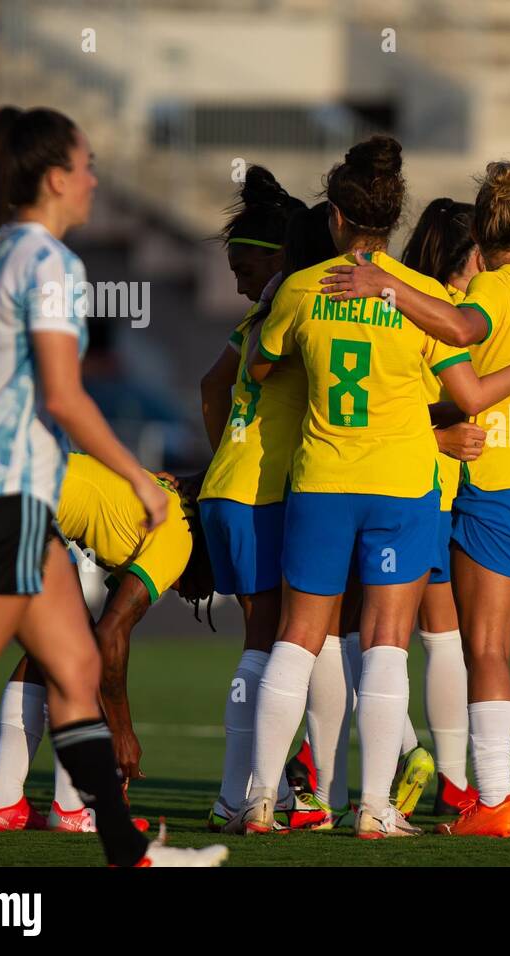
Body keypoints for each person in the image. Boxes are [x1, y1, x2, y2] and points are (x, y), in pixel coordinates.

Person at [0, 105, 225, 866]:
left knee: (75, 668)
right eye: (85, 166)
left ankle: (125, 848)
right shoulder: (48, 265)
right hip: (7, 494)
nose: (94, 180)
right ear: (53, 179)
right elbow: (68, 397)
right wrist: (140, 478)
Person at [230, 137, 510, 839]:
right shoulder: (419, 300)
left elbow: (260, 370)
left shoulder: (302, 289)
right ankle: (375, 809)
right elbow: (471, 391)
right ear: (393, 218)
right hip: (403, 484)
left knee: (299, 637)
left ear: (334, 216)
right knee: (389, 641)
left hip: (323, 479)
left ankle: (260, 799)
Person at [320, 159, 510, 837]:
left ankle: (493, 802)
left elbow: (461, 330)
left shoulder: (494, 289)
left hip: (503, 483)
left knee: (485, 648)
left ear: (480, 234)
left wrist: (389, 288)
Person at [197, 171, 345, 832]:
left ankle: (270, 791)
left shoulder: (266, 316)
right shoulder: (304, 305)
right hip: (268, 492)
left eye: (244, 265)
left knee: (281, 642)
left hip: (231, 488)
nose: (236, 282)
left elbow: (211, 388)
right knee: (287, 642)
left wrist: (222, 458)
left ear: (279, 256)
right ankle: (246, 793)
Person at [0, 452, 213, 832]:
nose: (201, 595)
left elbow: (106, 631)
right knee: (74, 651)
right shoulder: (179, 540)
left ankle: (3, 802)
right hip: (20, 509)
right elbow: (108, 636)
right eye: (211, 582)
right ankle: (71, 809)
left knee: (51, 650)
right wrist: (122, 733)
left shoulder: (165, 507)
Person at [399, 197, 487, 815]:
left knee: (419, 636)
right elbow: (405, 409)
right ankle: (437, 774)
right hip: (421, 487)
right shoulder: (450, 316)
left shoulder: (407, 301)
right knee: (418, 639)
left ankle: (435, 773)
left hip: (433, 490)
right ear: (471, 255)